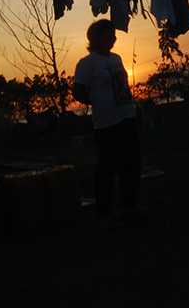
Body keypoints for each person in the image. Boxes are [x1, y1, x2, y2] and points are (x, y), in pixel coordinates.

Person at [73, 19, 149, 229]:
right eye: (109, 33)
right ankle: (104, 214)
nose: (113, 37)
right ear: (96, 37)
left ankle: (130, 207)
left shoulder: (116, 58)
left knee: (131, 166)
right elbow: (78, 90)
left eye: (114, 34)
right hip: (107, 124)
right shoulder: (88, 63)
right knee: (106, 169)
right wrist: (98, 101)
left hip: (126, 118)